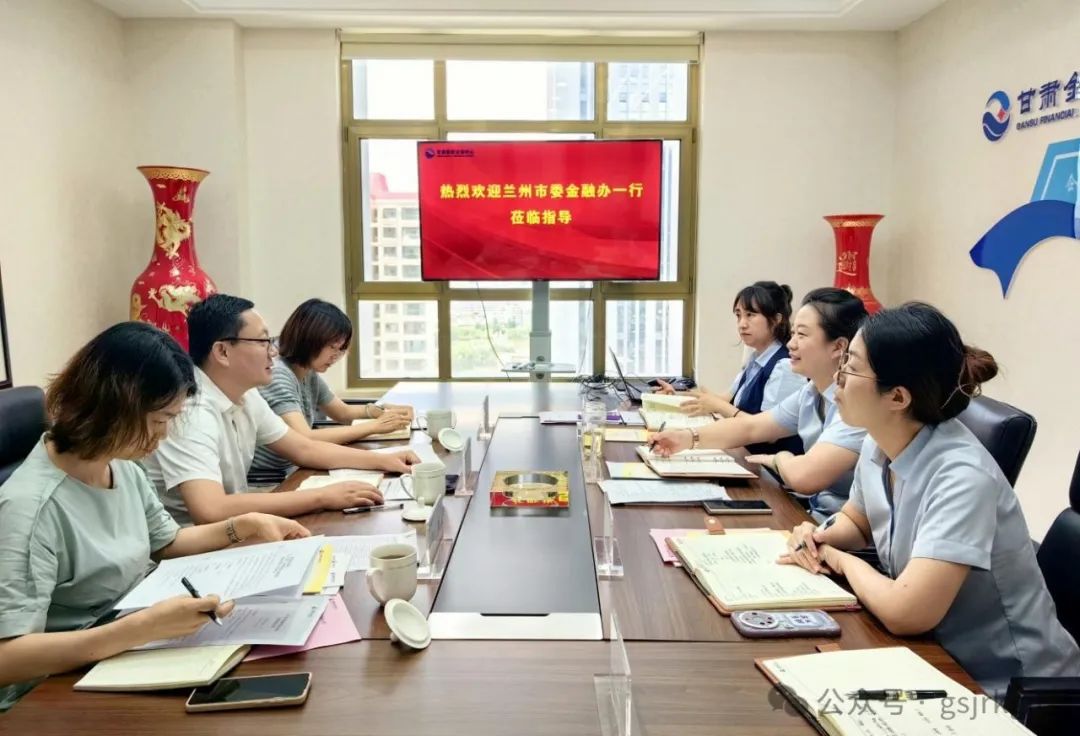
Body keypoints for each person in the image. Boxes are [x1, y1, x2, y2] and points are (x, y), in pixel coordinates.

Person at [0, 323, 309, 711]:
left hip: (125, 645)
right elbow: (8, 658)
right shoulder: (31, 508)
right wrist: (139, 629)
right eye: (160, 420)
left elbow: (167, 541)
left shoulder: (119, 464)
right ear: (114, 406)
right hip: (55, 691)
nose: (163, 435)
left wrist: (244, 525)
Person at [781, 302, 1080, 697]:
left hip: (1008, 688)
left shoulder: (962, 477)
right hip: (933, 655)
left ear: (897, 397)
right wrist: (817, 538)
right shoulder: (879, 441)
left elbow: (906, 613)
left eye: (850, 367)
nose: (837, 378)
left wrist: (839, 560)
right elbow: (857, 520)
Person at [142, 294, 421, 526]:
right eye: (262, 342)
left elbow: (303, 448)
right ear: (223, 352)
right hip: (196, 547)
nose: (273, 352)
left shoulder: (246, 394)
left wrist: (384, 460)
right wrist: (322, 496)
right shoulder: (191, 410)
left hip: (237, 527)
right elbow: (210, 509)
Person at [651, 287, 868, 517]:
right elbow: (752, 427)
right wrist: (686, 438)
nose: (791, 344)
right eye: (793, 333)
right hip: (818, 514)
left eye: (802, 335)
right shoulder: (811, 392)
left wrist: (778, 459)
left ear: (838, 347)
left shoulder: (858, 406)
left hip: (843, 526)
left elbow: (805, 476)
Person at [251, 299, 414, 475]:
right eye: (332, 347)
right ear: (309, 340)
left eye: (341, 349)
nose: (336, 356)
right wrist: (374, 426)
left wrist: (378, 411)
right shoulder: (278, 373)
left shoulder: (306, 368)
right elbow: (305, 438)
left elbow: (342, 412)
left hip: (296, 467)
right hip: (273, 477)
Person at [656, 281, 806, 424]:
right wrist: (675, 397)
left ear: (776, 319)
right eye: (739, 315)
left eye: (750, 315)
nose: (742, 324)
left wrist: (719, 406)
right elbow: (724, 399)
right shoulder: (756, 358)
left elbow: (769, 430)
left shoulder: (785, 366)